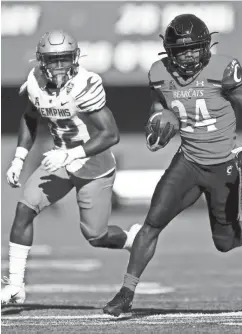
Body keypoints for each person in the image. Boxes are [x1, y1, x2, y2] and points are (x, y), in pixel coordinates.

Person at [103, 14, 242, 317]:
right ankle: (126, 292)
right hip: (189, 162)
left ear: (206, 47)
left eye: (196, 48)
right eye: (183, 50)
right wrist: (155, 125)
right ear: (170, 52)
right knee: (152, 223)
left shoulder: (222, 70)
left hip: (223, 165)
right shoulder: (159, 73)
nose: (190, 55)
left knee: (226, 242)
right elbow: (159, 105)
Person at [1, 30, 141, 304]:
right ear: (42, 61)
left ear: (75, 58)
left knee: (95, 235)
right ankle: (15, 286)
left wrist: (70, 155)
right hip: (60, 161)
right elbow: (30, 117)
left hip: (93, 166)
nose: (59, 66)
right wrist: (19, 157)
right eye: (53, 60)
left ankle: (131, 239)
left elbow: (110, 134)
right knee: (24, 210)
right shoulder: (35, 81)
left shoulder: (84, 84)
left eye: (64, 59)